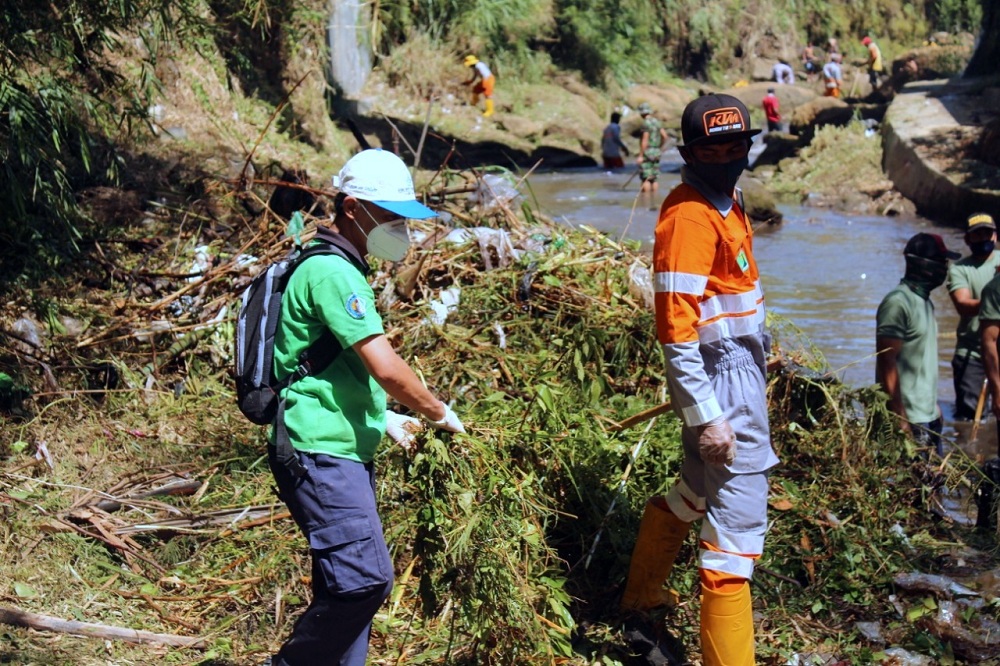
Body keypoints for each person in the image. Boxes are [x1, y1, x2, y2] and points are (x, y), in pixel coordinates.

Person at [265, 148, 466, 666]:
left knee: (346, 589)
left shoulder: (338, 265)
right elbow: (386, 368)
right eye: (391, 215)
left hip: (341, 444)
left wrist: (386, 417)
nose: (400, 226)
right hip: (319, 449)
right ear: (353, 208)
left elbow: (338, 368)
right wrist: (435, 411)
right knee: (365, 583)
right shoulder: (334, 273)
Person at [621, 93, 779, 666]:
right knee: (734, 546)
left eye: (737, 147)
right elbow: (676, 330)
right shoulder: (689, 216)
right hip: (721, 392)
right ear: (690, 153)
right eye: (713, 149)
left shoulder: (726, 201)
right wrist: (708, 415)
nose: (727, 157)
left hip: (732, 377)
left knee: (693, 494)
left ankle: (640, 598)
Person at [876, 232, 959, 457]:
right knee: (913, 489)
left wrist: (935, 408)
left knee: (932, 488)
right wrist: (900, 419)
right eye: (942, 262)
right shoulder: (897, 303)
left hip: (928, 416)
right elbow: (887, 361)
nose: (945, 268)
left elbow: (923, 361)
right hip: (910, 419)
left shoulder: (924, 302)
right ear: (925, 265)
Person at [947, 213, 1000, 421]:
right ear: (968, 240)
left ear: (995, 236)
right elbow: (963, 305)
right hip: (972, 352)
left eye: (988, 233)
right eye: (978, 235)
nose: (984, 239)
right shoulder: (959, 269)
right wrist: (994, 301)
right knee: (971, 418)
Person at [636, 102, 669, 196]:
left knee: (645, 178)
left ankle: (646, 200)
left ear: (642, 113)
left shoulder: (645, 123)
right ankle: (654, 198)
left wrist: (641, 156)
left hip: (648, 152)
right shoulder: (657, 122)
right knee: (654, 178)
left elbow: (645, 140)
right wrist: (660, 147)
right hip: (656, 152)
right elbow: (665, 136)